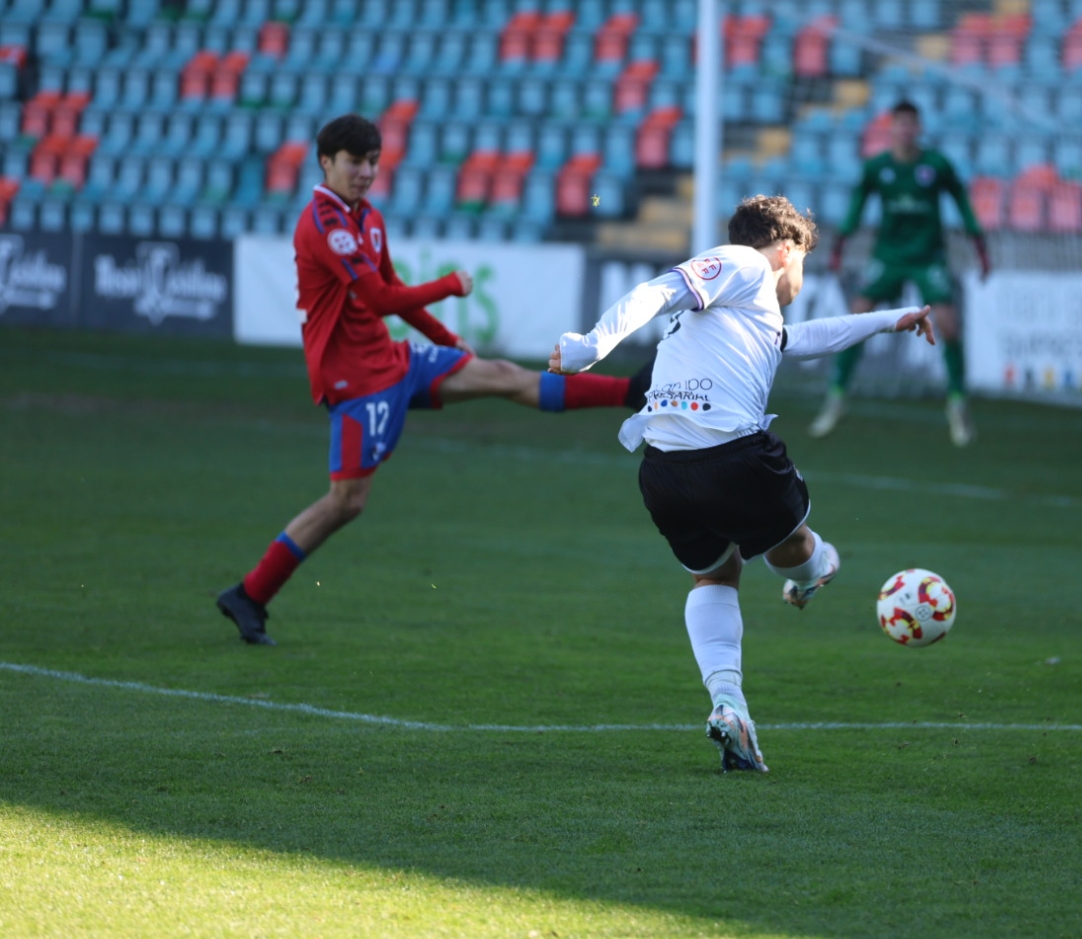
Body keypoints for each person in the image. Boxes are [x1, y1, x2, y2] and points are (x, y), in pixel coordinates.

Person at [217, 114, 647, 646]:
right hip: (355, 380)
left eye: (373, 162)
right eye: (355, 162)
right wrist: (447, 286)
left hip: (392, 358)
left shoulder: (368, 217)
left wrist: (445, 339)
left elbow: (390, 288)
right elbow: (378, 299)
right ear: (326, 162)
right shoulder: (323, 224)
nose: (366, 172)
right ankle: (250, 594)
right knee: (346, 502)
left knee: (504, 375)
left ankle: (630, 392)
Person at [549, 195, 935, 773]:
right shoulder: (747, 264)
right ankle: (820, 566)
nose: (801, 276)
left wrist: (889, 319)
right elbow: (659, 288)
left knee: (714, 574)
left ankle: (730, 705)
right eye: (803, 261)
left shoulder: (743, 313)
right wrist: (590, 348)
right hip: (733, 455)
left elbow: (806, 339)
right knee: (797, 547)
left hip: (663, 469)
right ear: (786, 250)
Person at [810, 99, 990, 447]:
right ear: (891, 128)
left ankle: (957, 403)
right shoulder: (877, 168)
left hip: (928, 256)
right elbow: (856, 208)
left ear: (919, 128)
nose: (906, 130)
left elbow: (963, 203)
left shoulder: (936, 166)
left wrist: (980, 248)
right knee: (857, 317)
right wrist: (838, 248)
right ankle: (837, 396)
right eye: (900, 124)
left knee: (949, 325)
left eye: (912, 124)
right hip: (888, 256)